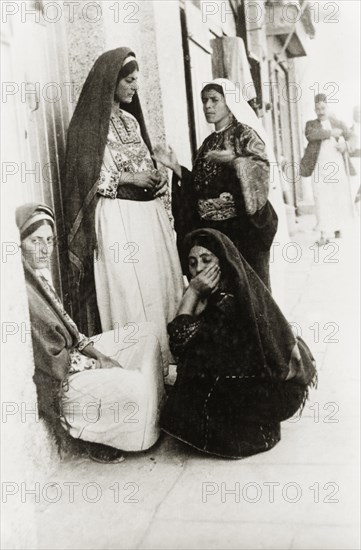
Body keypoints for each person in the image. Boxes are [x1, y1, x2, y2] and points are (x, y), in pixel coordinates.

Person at [63, 47, 184, 374]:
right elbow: (83, 177)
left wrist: (158, 177)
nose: (134, 87)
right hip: (117, 218)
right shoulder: (88, 125)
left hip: (147, 218)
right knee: (130, 291)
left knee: (159, 287)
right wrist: (129, 177)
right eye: (128, 80)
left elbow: (144, 161)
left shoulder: (130, 119)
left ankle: (167, 364)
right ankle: (140, 369)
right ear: (111, 81)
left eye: (136, 81)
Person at [17, 203, 165, 463]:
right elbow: (52, 361)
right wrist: (97, 364)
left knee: (147, 334)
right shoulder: (21, 292)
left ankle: (139, 412)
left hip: (74, 358)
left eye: (49, 241)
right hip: (61, 382)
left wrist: (97, 354)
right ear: (19, 243)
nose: (44, 250)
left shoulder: (39, 277)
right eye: (35, 241)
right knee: (135, 387)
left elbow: (70, 330)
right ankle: (97, 434)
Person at [161, 228, 317, 459]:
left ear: (222, 262)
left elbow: (180, 342)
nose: (199, 270)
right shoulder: (227, 290)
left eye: (207, 260)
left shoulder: (228, 301)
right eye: (192, 263)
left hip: (265, 398)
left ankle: (237, 432)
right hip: (254, 386)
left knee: (192, 370)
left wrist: (192, 293)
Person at [153, 78, 280, 289]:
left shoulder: (245, 135)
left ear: (228, 102)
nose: (208, 106)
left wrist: (235, 161)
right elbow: (200, 186)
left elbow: (261, 168)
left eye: (214, 100)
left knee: (245, 290)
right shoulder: (208, 143)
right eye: (204, 101)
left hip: (240, 231)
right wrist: (176, 168)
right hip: (213, 231)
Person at [300, 94, 355, 245]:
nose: (320, 111)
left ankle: (337, 227)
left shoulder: (338, 123)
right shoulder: (311, 124)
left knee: (337, 197)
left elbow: (353, 137)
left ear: (328, 107)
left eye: (323, 107)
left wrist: (346, 145)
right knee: (321, 197)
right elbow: (311, 135)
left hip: (336, 167)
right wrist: (331, 133)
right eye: (317, 108)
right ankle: (324, 233)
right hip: (319, 167)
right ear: (314, 109)